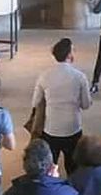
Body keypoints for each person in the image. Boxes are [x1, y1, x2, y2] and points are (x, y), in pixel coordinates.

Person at [30, 37, 92, 174]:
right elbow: (86, 104)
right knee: (74, 168)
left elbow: (35, 102)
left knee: (50, 168)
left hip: (51, 128)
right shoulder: (80, 77)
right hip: (73, 128)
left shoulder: (44, 76)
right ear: (69, 55)